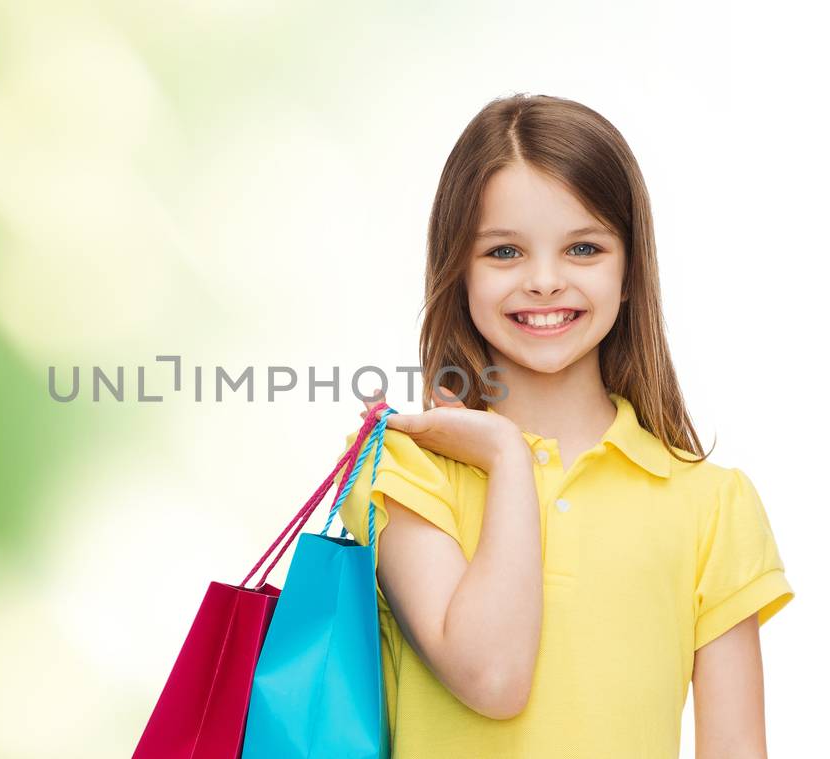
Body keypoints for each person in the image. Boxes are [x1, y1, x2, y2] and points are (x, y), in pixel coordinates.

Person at [330, 93, 794, 758]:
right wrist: (506, 457)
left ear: (631, 269)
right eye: (504, 252)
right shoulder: (401, 469)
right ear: (458, 271)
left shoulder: (713, 503)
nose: (545, 281)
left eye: (582, 247)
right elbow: (491, 675)